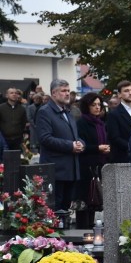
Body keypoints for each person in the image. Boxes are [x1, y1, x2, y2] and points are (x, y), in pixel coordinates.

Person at [36, 79, 84, 211]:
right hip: (56, 170)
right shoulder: (45, 111)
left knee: (65, 209)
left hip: (71, 169)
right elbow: (45, 138)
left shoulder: (68, 111)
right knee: (55, 210)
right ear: (54, 93)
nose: (67, 93)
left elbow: (74, 136)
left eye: (68, 90)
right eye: (63, 91)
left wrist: (81, 144)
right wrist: (70, 146)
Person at [75, 93, 110, 228]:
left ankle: (91, 227)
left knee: (95, 200)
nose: (97, 107)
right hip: (86, 166)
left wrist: (106, 148)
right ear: (86, 106)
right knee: (86, 199)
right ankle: (83, 229)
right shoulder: (82, 122)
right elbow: (82, 145)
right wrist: (97, 148)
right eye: (93, 105)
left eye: (99, 105)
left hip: (99, 164)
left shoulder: (100, 123)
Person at [106, 80, 131, 163]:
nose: (130, 93)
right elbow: (114, 138)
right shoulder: (114, 114)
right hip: (123, 158)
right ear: (119, 95)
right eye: (126, 91)